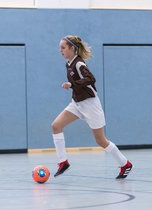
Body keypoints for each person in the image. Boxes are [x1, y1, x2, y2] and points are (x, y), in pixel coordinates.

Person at [51, 35, 133, 179]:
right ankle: (63, 162)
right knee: (56, 126)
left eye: (63, 47)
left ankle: (125, 164)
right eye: (60, 48)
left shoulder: (79, 64)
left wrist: (72, 84)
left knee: (101, 140)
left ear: (72, 48)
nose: (60, 50)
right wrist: (72, 86)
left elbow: (91, 79)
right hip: (77, 103)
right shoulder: (68, 64)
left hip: (90, 104)